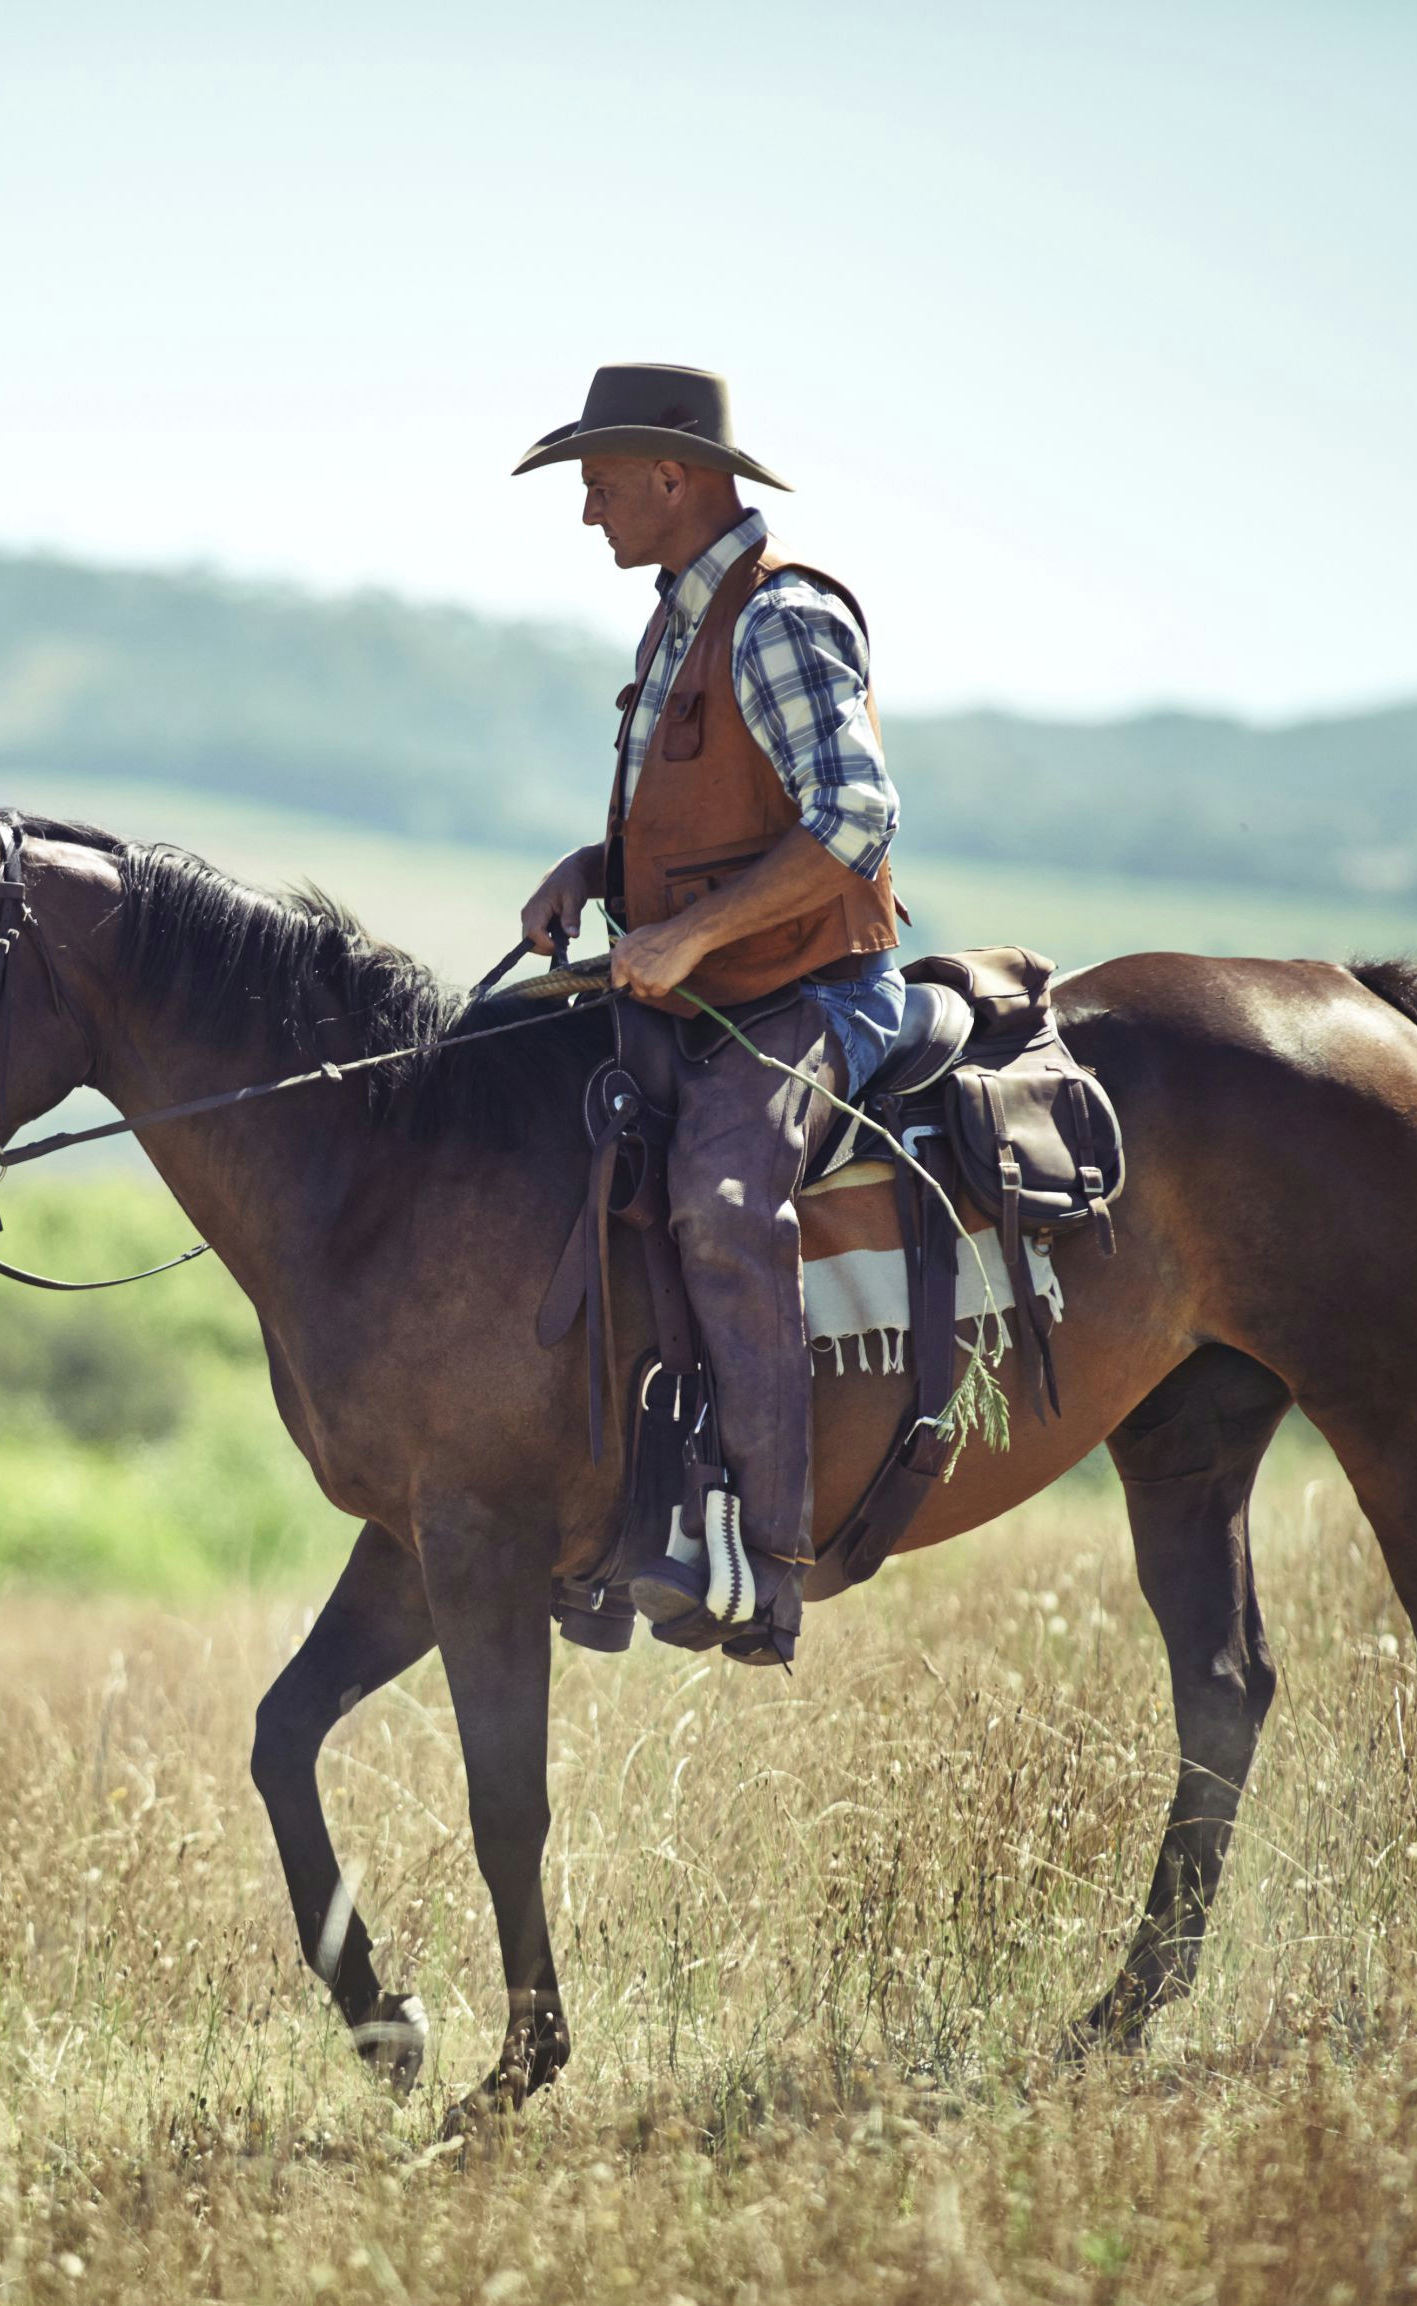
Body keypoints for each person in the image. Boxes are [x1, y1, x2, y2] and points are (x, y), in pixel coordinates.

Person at [511, 362, 907, 1665]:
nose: (586, 515)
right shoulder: (676, 620)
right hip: (707, 986)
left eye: (600, 485)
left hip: (813, 994)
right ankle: (617, 1518)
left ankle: (770, 1562)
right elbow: (705, 823)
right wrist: (600, 876)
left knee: (721, 1210)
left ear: (675, 479)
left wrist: (683, 936)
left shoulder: (778, 616)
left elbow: (855, 819)